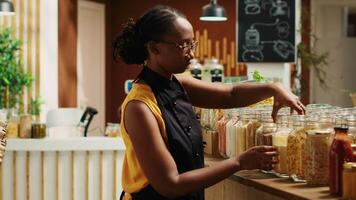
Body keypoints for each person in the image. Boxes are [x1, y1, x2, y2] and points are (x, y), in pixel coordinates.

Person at [113, 5, 305, 200]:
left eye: (192, 44)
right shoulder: (140, 107)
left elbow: (231, 94)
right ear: (154, 48)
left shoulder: (179, 83)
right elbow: (170, 184)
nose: (192, 54)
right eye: (183, 45)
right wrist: (238, 162)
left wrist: (274, 88)